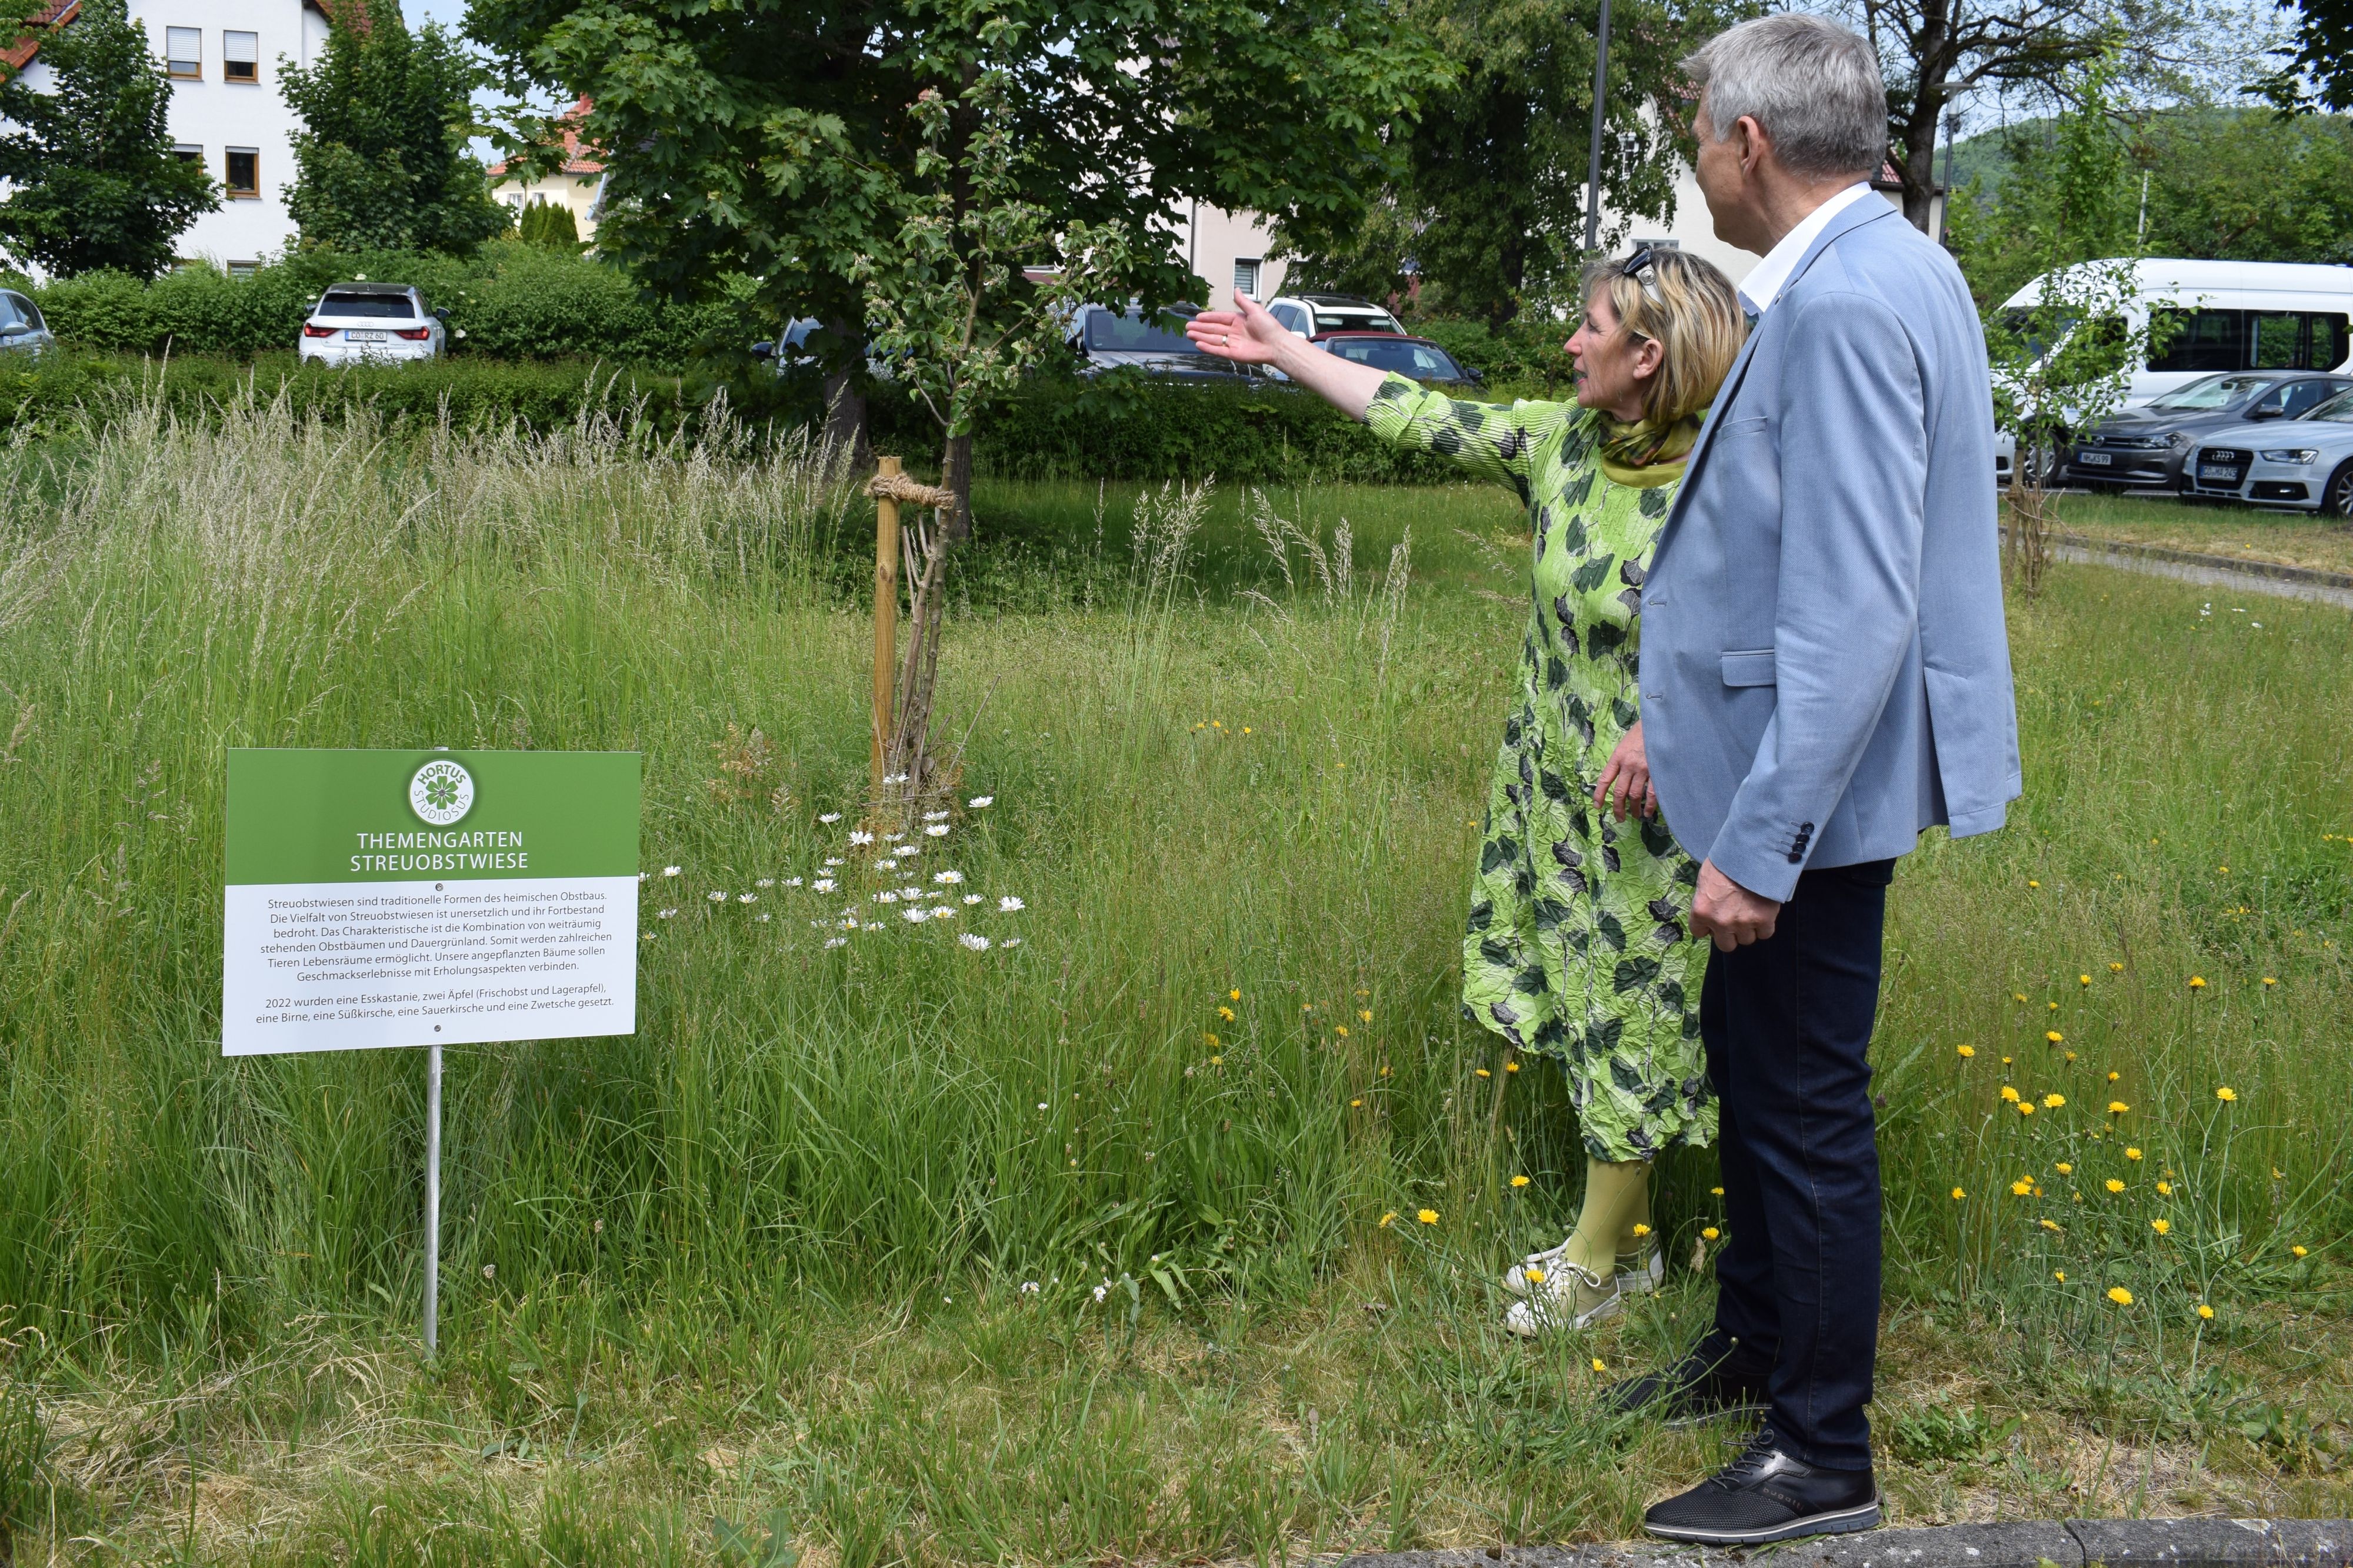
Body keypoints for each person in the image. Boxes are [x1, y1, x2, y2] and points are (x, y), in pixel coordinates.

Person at [1611, 14, 2022, 1549]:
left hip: (1811, 793)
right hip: (1797, 775)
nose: (1699, 159)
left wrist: (1761, 843)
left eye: (1700, 132)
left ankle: (1818, 1452)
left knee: (1800, 1105)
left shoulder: (1842, 301)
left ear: (1749, 143)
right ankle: (1754, 1343)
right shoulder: (1895, 264)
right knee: (1757, 1063)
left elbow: (1853, 610)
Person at [1185, 251, 1748, 1339]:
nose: (1570, 344)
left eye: (1592, 328)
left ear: (1649, 355)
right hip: (1553, 781)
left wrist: (1665, 724)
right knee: (1579, 992)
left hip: (1657, 809)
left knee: (1633, 1011)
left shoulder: (1729, 477)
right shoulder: (1564, 443)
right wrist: (1286, 349)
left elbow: (1767, 634)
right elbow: (1416, 412)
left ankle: (1595, 1263)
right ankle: (1634, 1244)